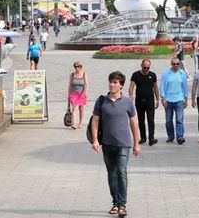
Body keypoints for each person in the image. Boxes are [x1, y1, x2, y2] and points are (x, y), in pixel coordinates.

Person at [91, 71, 140, 217]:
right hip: (107, 144)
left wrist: (136, 143)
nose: (112, 85)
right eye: (110, 81)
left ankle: (122, 205)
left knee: (121, 172)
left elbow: (134, 123)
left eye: (115, 82)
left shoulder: (128, 102)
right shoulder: (101, 101)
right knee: (111, 175)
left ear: (121, 85)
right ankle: (115, 203)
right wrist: (95, 140)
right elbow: (95, 121)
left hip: (124, 144)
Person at [129, 59, 160, 145]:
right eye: (144, 67)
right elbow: (131, 86)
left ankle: (151, 138)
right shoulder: (135, 75)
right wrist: (130, 96)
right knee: (140, 119)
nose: (146, 69)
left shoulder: (152, 75)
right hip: (139, 100)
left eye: (148, 68)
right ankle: (143, 137)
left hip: (150, 100)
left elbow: (156, 88)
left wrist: (157, 99)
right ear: (141, 65)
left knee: (150, 119)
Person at [160, 57, 189, 144]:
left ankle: (180, 137)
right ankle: (171, 136)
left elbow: (185, 86)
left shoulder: (182, 73)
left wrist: (186, 98)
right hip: (168, 100)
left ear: (179, 64)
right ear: (171, 64)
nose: (176, 65)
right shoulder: (166, 74)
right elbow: (162, 87)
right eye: (174, 64)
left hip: (179, 99)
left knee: (179, 119)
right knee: (168, 120)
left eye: (177, 64)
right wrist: (163, 98)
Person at [68, 61, 89, 129]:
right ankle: (73, 123)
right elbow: (70, 85)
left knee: (81, 108)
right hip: (74, 93)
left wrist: (85, 92)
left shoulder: (84, 74)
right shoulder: (72, 75)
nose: (77, 68)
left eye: (78, 67)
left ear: (81, 67)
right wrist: (68, 94)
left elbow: (86, 84)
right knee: (74, 108)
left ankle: (80, 123)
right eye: (76, 67)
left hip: (81, 93)